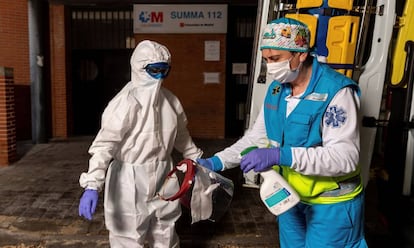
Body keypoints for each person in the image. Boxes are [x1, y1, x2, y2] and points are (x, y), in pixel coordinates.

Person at [197, 17, 368, 247]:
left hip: (331, 205)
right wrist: (217, 162)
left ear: (301, 53)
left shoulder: (336, 92)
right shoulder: (277, 90)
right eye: (266, 59)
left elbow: (345, 158)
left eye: (276, 59)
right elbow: (256, 138)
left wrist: (281, 156)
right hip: (289, 198)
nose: (270, 66)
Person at [78, 40, 203, 247]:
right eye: (154, 71)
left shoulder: (170, 102)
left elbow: (182, 137)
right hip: (129, 180)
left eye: (165, 71)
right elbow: (104, 146)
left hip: (165, 175)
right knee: (128, 237)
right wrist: (92, 185)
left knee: (166, 232)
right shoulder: (124, 103)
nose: (160, 78)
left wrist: (198, 160)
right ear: (139, 68)